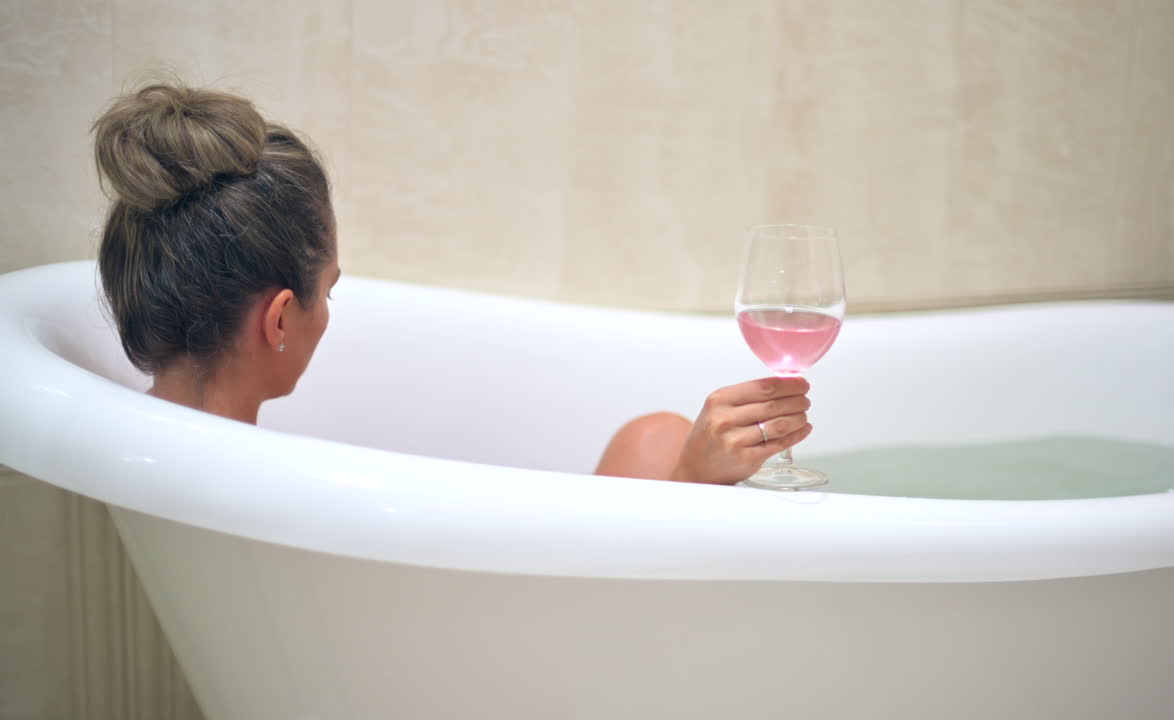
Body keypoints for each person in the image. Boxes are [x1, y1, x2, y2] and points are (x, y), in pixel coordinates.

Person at [93, 82, 811, 486]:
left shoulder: (159, 452)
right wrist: (690, 482)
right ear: (279, 320)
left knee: (653, 440)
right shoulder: (276, 490)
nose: (329, 313)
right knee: (662, 451)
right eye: (329, 292)